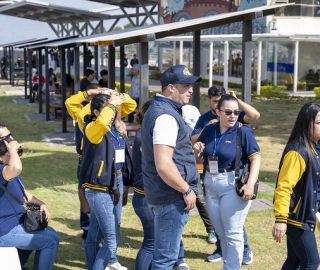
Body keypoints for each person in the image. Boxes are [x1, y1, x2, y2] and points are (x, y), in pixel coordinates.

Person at [191, 85, 260, 264]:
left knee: (233, 232)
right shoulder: (208, 129)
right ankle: (229, 263)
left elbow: (256, 159)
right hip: (210, 182)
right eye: (228, 112)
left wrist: (250, 184)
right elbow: (199, 158)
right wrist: (197, 151)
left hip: (232, 183)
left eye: (236, 112)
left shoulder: (242, 131)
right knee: (221, 232)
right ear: (218, 111)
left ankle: (232, 266)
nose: (232, 116)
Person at [141, 64, 201, 269]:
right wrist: (186, 189)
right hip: (171, 196)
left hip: (164, 194)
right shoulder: (165, 116)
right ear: (170, 88)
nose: (191, 90)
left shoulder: (164, 111)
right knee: (165, 260)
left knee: (165, 257)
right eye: (185, 85)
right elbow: (164, 165)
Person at [78, 91, 135, 270]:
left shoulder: (111, 128)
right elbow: (103, 121)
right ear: (96, 112)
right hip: (98, 189)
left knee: (94, 235)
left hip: (109, 184)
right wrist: (110, 105)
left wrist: (117, 95)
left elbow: (130, 105)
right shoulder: (92, 127)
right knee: (111, 240)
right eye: (107, 110)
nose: (113, 113)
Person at [132, 101, 190, 270]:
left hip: (144, 193)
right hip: (148, 194)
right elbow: (164, 166)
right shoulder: (148, 136)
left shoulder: (143, 134)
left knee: (155, 244)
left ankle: (178, 259)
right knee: (152, 244)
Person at [0, 122, 59, 270]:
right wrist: (13, 150)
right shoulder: (4, 169)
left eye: (10, 134)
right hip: (5, 230)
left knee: (49, 232)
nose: (11, 139)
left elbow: (22, 192)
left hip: (15, 223)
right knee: (50, 241)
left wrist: (41, 203)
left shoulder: (7, 167)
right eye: (5, 137)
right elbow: (17, 168)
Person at [272, 102, 320, 270]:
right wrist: (280, 219)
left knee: (294, 261)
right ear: (306, 124)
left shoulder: (314, 148)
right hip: (297, 219)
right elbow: (284, 187)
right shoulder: (298, 152)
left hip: (304, 215)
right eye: (319, 123)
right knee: (311, 262)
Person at [65, 84, 102, 251]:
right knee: (85, 195)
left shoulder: (107, 111)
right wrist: (89, 93)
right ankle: (87, 233)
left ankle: (99, 232)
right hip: (85, 159)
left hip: (103, 159)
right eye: (97, 95)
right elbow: (70, 102)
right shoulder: (82, 112)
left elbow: (130, 105)